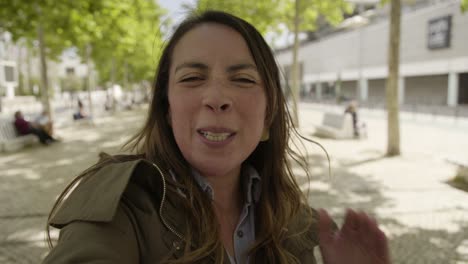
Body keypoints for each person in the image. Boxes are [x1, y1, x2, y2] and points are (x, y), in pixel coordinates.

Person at [43, 11, 390, 264]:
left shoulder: (296, 220)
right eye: (193, 77)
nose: (217, 97)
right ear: (166, 107)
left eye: (242, 80)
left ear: (268, 112)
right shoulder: (123, 205)